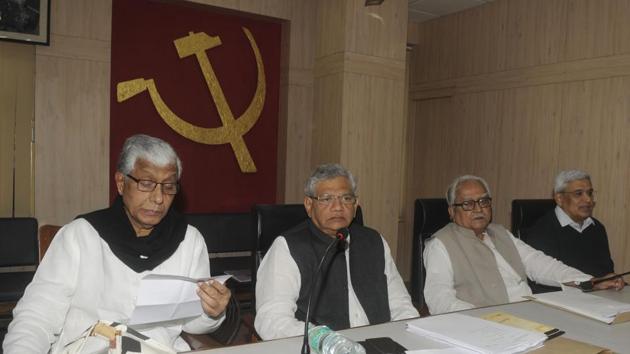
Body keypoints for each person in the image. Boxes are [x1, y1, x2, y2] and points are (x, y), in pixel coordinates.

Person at [3, 134, 231, 353]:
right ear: (121, 183)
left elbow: (192, 325)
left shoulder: (188, 240)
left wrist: (211, 311)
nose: (159, 198)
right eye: (146, 183)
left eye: (168, 186)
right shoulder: (81, 236)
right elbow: (36, 317)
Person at [254, 163, 418, 340]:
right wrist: (326, 341)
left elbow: (400, 305)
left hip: (381, 343)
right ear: (309, 205)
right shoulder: (287, 248)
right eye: (326, 199)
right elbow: (272, 320)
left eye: (346, 198)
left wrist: (409, 338)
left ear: (356, 205)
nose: (338, 207)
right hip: (322, 348)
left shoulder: (374, 241)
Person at [423, 175, 624, 315]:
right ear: (451, 211)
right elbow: (439, 299)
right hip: (489, 326)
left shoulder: (500, 233)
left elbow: (541, 264)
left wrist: (588, 281)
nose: (478, 209)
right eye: (468, 204)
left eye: (484, 201)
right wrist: (481, 318)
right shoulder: (440, 244)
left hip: (530, 315)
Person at [524, 170, 614, 278]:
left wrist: (611, 279)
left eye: (589, 193)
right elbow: (547, 280)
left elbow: (606, 271)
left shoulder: (597, 227)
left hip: (600, 293)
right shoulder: (541, 231)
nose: (588, 199)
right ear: (559, 199)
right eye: (578, 194)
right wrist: (594, 284)